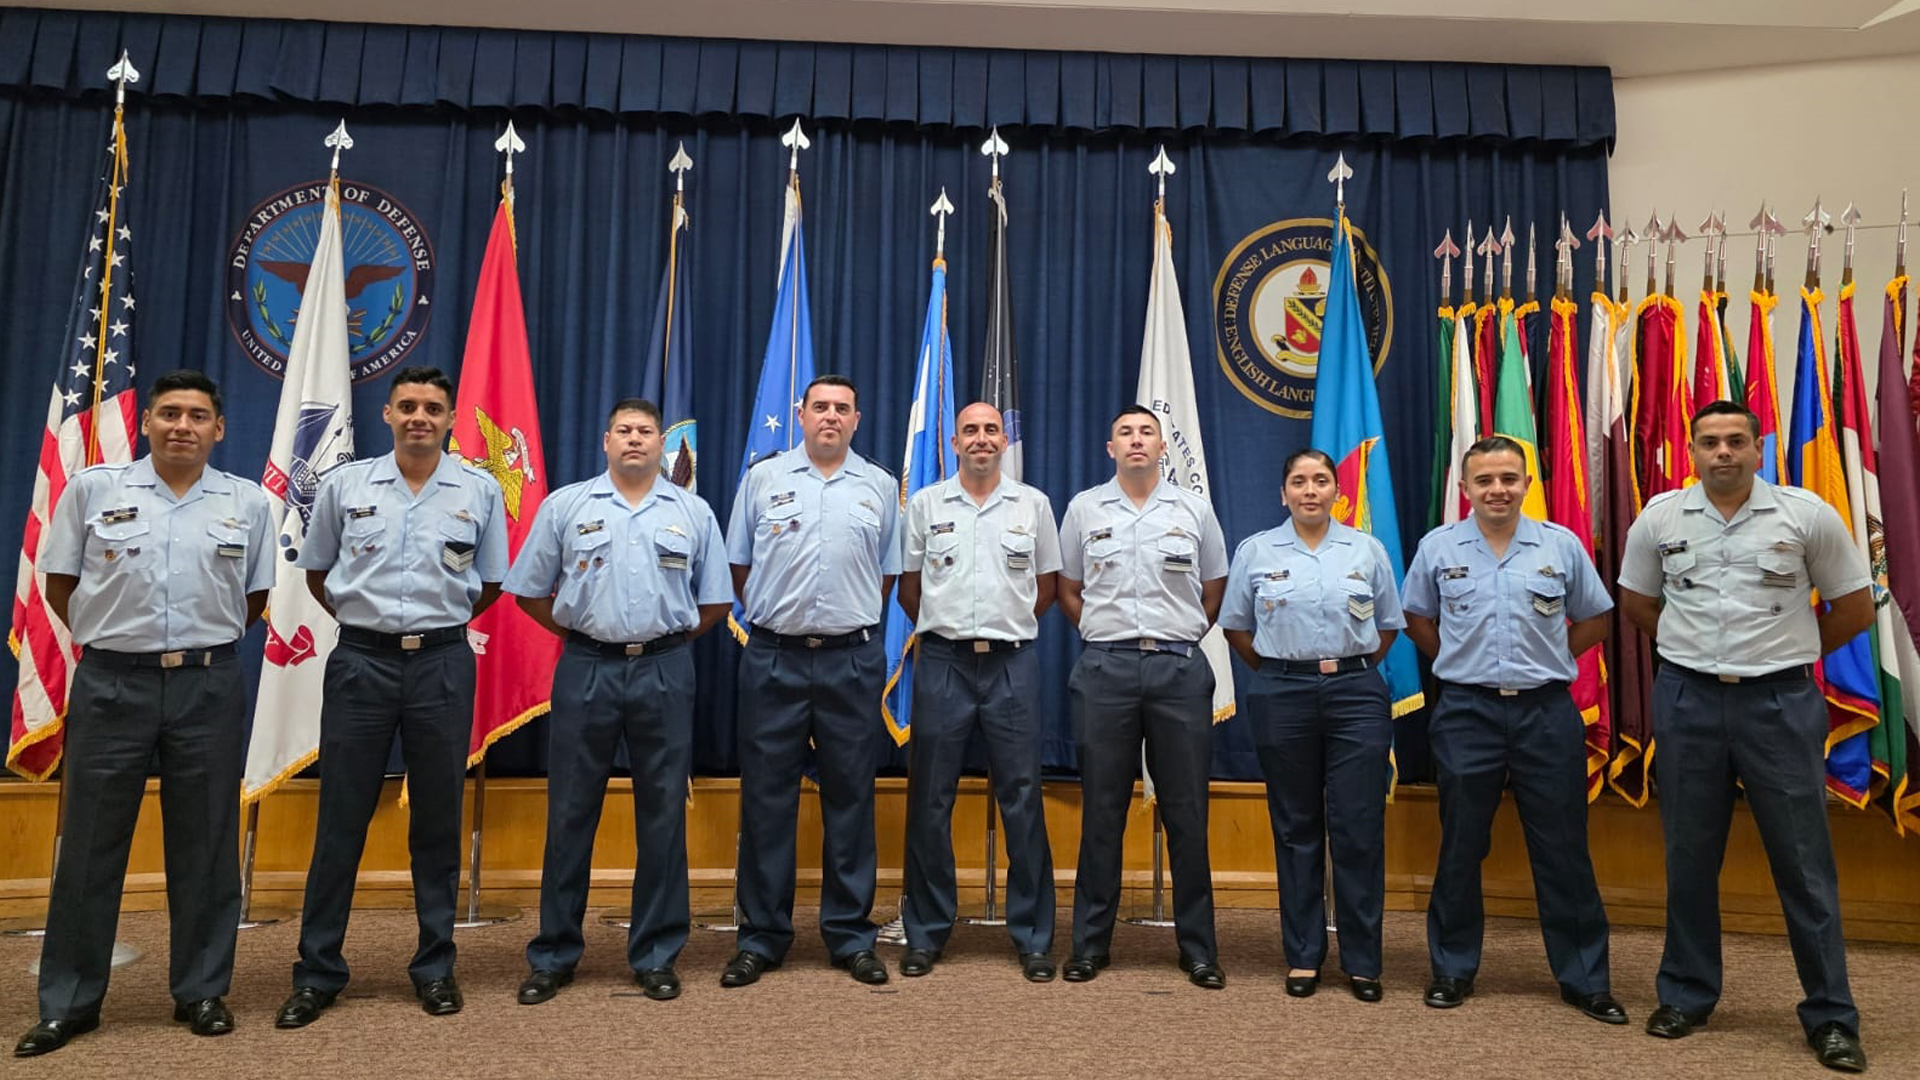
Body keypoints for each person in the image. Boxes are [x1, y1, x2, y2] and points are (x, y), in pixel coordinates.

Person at [14, 371, 274, 1057]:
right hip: (112, 684)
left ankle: (201, 991)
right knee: (90, 845)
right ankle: (69, 1002)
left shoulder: (247, 502)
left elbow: (252, 601)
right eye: (169, 413)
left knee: (207, 843)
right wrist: (120, 642)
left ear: (219, 428)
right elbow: (61, 584)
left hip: (207, 685)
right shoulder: (94, 489)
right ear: (147, 422)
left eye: (197, 415)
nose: (182, 426)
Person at [1616, 401, 1871, 1073]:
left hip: (1779, 703)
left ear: (1759, 449)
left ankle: (1831, 1016)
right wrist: (1692, 651)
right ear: (1692, 451)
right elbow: (1638, 603)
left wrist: (1787, 654)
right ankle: (1686, 996)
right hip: (1688, 700)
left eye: (1736, 440)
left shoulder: (1806, 514)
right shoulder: (1660, 518)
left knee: (1804, 864)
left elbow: (1853, 606)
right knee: (1689, 856)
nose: (1722, 452)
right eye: (1709, 442)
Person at [275, 367, 508, 1027]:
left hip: (442, 665)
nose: (419, 418)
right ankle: (317, 972)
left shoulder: (480, 489)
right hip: (362, 664)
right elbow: (319, 573)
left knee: (436, 822)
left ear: (451, 418)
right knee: (340, 819)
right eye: (407, 406)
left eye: (432, 408)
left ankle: (434, 967)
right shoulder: (345, 485)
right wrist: (373, 625)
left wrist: (431, 627)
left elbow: (490, 581)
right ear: (387, 414)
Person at [505, 399, 731, 1005]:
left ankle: (656, 954)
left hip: (664, 669)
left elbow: (714, 601)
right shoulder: (567, 506)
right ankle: (554, 954)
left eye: (646, 431)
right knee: (570, 813)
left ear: (662, 443)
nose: (635, 439)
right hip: (587, 668)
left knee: (662, 814)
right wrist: (585, 634)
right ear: (605, 440)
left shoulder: (693, 511)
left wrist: (661, 642)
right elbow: (528, 591)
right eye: (624, 430)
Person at [1401, 435, 1624, 1024]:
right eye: (1484, 480)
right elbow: (1416, 616)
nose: (1497, 489)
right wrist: (1456, 659)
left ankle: (1585, 979)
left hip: (1545, 713)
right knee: (1460, 843)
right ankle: (1452, 968)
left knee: (1563, 847)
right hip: (1466, 713)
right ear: (1465, 488)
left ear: (1527, 483)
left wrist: (1551, 658)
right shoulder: (1438, 547)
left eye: (1508, 478)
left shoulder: (1560, 545)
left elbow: (1597, 617)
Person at [722, 374, 900, 987]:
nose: (830, 416)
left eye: (842, 408)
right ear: (800, 415)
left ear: (857, 420)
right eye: (820, 406)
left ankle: (850, 935)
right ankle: (761, 937)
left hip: (851, 659)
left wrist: (842, 620)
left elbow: (885, 575)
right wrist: (783, 619)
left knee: (850, 798)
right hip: (775, 657)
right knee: (766, 799)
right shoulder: (762, 478)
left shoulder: (879, 486)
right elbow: (740, 567)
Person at [1218, 448, 1403, 1002]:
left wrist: (1347, 670)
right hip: (1282, 692)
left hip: (1356, 692)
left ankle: (1363, 961)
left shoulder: (1366, 550)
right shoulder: (1256, 551)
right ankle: (1303, 955)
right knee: (1296, 826)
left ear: (1336, 491)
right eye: (1298, 481)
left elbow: (1388, 626)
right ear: (1283, 494)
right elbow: (1236, 627)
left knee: (1358, 826)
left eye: (1321, 480)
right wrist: (1284, 672)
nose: (1310, 490)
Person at [1056, 404, 1228, 990]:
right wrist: (1103, 638)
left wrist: (1178, 636)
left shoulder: (1193, 509)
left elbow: (1214, 588)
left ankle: (1199, 949)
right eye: (1125, 433)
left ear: (1162, 446)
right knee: (1102, 812)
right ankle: (1088, 946)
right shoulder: (1084, 509)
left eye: (1146, 432)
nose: (1136, 440)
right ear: (1111, 449)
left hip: (1178, 670)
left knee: (1188, 813)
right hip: (1105, 669)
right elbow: (1068, 588)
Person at [896, 402, 1061, 982]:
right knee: (930, 798)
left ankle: (1033, 937)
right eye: (970, 430)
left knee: (1022, 796)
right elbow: (910, 589)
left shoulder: (1033, 504)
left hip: (1012, 663)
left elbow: (1047, 587)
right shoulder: (926, 504)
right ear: (954, 441)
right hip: (944, 662)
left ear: (1003, 440)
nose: (982, 438)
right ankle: (926, 932)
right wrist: (951, 632)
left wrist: (1004, 627)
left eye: (992, 429)